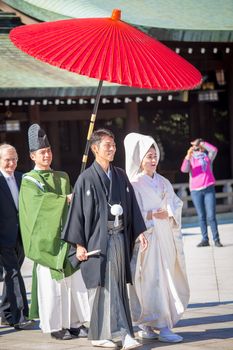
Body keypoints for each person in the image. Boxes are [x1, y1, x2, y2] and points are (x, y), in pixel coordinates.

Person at [62, 128, 148, 349]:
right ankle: (107, 334)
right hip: (97, 241)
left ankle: (121, 332)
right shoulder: (85, 179)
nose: (112, 149)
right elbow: (77, 214)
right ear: (94, 149)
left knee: (117, 284)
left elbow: (132, 207)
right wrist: (79, 244)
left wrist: (139, 232)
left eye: (113, 145)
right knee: (102, 286)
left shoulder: (120, 175)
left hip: (119, 237)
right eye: (107, 145)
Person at [19, 124, 90, 340]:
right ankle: (55, 326)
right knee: (53, 287)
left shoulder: (62, 176)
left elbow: (73, 205)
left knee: (75, 282)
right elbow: (37, 208)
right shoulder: (29, 181)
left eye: (49, 151)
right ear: (32, 156)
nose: (47, 155)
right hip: (47, 242)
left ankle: (75, 323)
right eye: (42, 152)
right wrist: (63, 200)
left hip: (68, 236)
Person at [124, 132, 190, 343]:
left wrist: (168, 211)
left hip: (164, 237)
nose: (152, 160)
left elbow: (176, 204)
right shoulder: (134, 183)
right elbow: (130, 212)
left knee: (165, 278)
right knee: (150, 280)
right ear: (140, 159)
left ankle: (157, 323)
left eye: (154, 156)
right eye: (148, 156)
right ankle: (155, 324)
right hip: (148, 238)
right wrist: (151, 214)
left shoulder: (163, 181)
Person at [0, 144, 33, 329]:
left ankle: (5, 313)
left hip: (21, 236)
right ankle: (19, 316)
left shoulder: (22, 178)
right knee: (13, 274)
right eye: (7, 159)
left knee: (13, 273)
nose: (11, 163)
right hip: (3, 236)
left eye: (14, 159)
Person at [181, 138, 223, 247]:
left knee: (211, 216)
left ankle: (216, 239)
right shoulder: (190, 158)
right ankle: (205, 239)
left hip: (208, 188)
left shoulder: (207, 157)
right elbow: (184, 169)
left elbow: (214, 150)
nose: (196, 148)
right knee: (201, 216)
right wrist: (188, 155)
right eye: (195, 146)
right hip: (195, 190)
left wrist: (202, 143)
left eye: (198, 146)